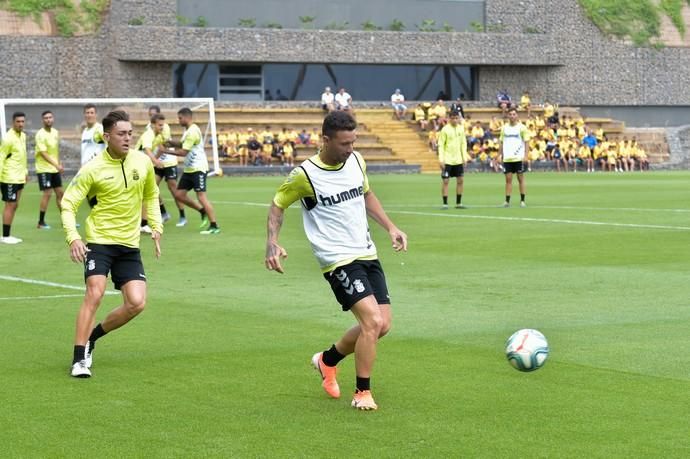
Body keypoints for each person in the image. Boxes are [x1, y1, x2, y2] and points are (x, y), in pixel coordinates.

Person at [264, 111, 408, 411]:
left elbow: (366, 194)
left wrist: (391, 227)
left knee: (383, 326)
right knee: (371, 321)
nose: (350, 149)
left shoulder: (356, 161)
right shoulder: (305, 175)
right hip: (337, 258)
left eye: (353, 141)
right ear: (325, 139)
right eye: (344, 143)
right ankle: (362, 392)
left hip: (366, 251)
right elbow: (278, 206)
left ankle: (327, 361)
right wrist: (272, 242)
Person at [61, 110, 163, 378]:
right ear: (107, 137)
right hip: (100, 242)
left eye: (130, 133)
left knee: (137, 303)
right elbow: (69, 203)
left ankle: (93, 337)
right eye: (121, 134)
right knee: (95, 292)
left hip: (129, 245)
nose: (128, 138)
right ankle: (79, 358)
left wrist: (155, 225)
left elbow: (152, 195)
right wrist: (73, 237)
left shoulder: (142, 162)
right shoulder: (93, 168)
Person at [165, 107, 220, 234]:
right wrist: (170, 143)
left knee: (201, 197)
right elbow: (182, 144)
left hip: (198, 168)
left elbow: (184, 152)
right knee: (179, 195)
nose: (179, 121)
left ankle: (214, 226)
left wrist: (166, 150)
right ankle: (202, 211)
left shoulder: (192, 132)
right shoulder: (188, 131)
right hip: (189, 170)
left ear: (187, 117)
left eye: (180, 118)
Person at [0, 112, 28, 244]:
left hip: (19, 177)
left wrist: (25, 172)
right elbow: (1, 157)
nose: (21, 124)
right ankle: (5, 236)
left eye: (22, 121)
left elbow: (22, 156)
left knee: (15, 205)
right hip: (9, 177)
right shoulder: (8, 138)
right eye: (18, 121)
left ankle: (8, 234)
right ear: (13, 122)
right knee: (10, 205)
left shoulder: (23, 136)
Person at [35, 110, 64, 230]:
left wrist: (59, 163)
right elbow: (43, 153)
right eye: (46, 118)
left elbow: (56, 150)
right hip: (44, 169)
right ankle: (41, 222)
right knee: (47, 194)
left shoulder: (56, 132)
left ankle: (66, 221)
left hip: (54, 168)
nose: (48, 120)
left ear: (53, 119)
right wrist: (56, 165)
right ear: (43, 120)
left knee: (61, 194)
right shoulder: (40, 134)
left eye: (50, 117)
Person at [437, 111, 469, 209]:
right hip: (447, 160)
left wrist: (464, 157)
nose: (455, 120)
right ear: (449, 118)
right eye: (453, 118)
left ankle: (458, 203)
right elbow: (441, 145)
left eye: (456, 118)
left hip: (458, 160)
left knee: (460, 180)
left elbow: (463, 144)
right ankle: (445, 203)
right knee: (446, 181)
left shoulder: (461, 129)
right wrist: (441, 159)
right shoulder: (445, 130)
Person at [500, 107, 529, 207]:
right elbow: (501, 142)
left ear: (517, 116)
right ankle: (507, 201)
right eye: (510, 114)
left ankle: (522, 200)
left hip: (518, 158)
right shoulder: (504, 128)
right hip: (507, 158)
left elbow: (526, 142)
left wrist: (526, 155)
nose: (512, 116)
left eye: (514, 114)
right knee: (508, 180)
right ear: (508, 116)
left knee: (520, 179)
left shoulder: (522, 127)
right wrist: (500, 154)